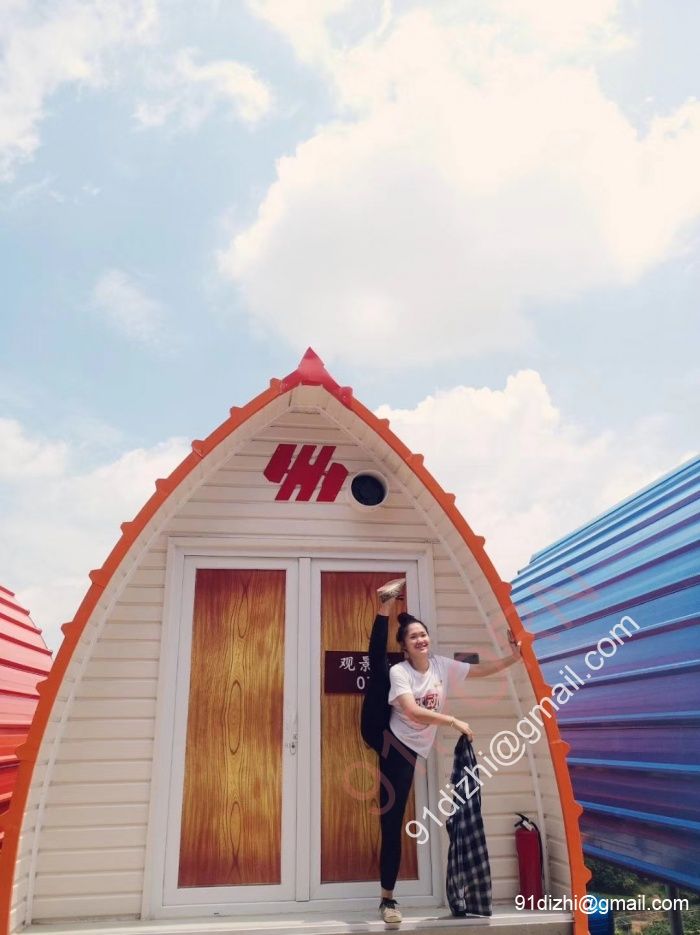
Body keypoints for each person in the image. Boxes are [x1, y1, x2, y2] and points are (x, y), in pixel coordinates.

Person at [367, 588, 522, 925]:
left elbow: (479, 669)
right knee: (392, 823)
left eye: (423, 634)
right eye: (413, 637)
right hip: (397, 746)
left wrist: (514, 658)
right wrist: (452, 721)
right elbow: (411, 711)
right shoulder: (399, 672)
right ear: (404, 646)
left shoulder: (441, 665)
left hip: (419, 745)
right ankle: (387, 900)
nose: (420, 640)